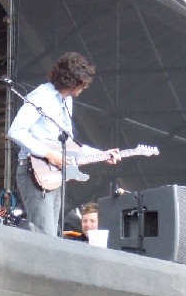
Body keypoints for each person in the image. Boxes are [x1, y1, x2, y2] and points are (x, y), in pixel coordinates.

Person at [8, 52, 121, 237]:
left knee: (53, 235)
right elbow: (16, 131)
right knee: (45, 236)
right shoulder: (41, 96)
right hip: (34, 173)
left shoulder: (66, 101)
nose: (84, 88)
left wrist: (102, 154)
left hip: (53, 175)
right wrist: (49, 154)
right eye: (83, 84)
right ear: (74, 82)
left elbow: (70, 144)